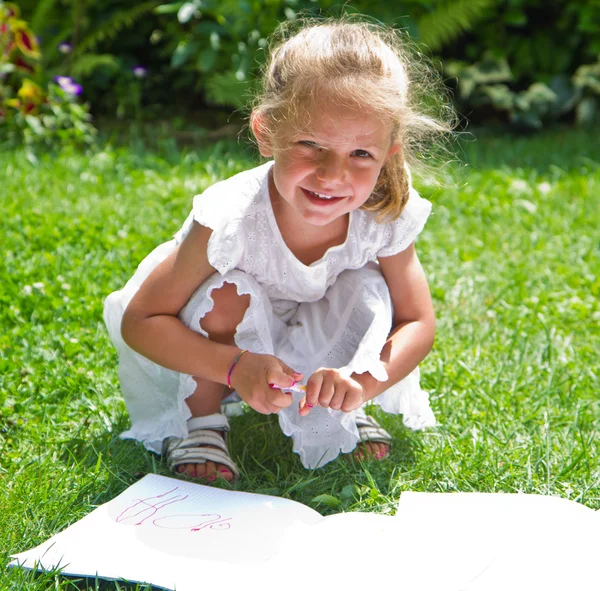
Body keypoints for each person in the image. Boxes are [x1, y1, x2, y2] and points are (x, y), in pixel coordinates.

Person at [104, 18, 452, 483]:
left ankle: (340, 404)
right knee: (227, 290)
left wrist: (363, 382)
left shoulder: (381, 215)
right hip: (225, 346)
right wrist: (234, 367)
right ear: (267, 131)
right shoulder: (231, 219)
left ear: (389, 150)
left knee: (369, 286)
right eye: (311, 145)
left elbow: (417, 321)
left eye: (360, 154)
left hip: (314, 341)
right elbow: (141, 321)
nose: (333, 175)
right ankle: (202, 420)